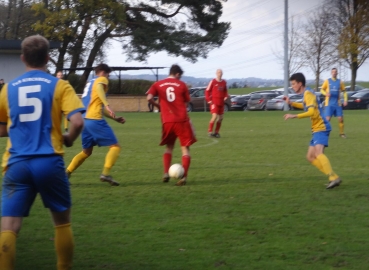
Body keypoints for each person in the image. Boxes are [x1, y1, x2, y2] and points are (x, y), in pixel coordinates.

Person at [0, 35, 85, 270]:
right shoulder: (59, 85)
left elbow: (1, 128)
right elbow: (77, 121)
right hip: (49, 161)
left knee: (9, 227)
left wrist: (20, 130)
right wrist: (68, 139)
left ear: (22, 58)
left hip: (17, 164)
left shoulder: (8, 89)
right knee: (62, 223)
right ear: (48, 58)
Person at [66, 63, 126, 186]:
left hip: (84, 120)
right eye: (108, 74)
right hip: (94, 119)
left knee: (86, 152)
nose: (108, 78)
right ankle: (105, 173)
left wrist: (114, 118)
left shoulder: (90, 83)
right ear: (103, 72)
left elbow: (98, 106)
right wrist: (108, 105)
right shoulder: (101, 80)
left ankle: (66, 173)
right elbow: (100, 90)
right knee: (115, 146)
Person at [283, 72, 341, 189]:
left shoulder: (308, 94)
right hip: (316, 128)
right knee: (310, 157)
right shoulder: (307, 93)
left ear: (300, 83)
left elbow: (311, 112)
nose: (292, 86)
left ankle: (333, 177)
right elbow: (306, 106)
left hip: (321, 127)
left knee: (318, 153)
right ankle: (334, 177)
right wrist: (291, 103)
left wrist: (294, 116)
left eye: (294, 84)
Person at [146, 64, 197, 186]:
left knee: (169, 147)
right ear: (178, 74)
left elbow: (148, 98)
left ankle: (165, 173)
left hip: (167, 121)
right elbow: (186, 103)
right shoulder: (182, 85)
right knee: (185, 149)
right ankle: (183, 178)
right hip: (181, 120)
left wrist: (158, 106)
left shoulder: (158, 84)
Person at [320, 68, 347, 138]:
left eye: (335, 72)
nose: (334, 73)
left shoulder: (340, 82)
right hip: (329, 104)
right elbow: (321, 90)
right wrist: (326, 94)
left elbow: (344, 92)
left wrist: (345, 100)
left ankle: (342, 133)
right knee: (327, 119)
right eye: (333, 72)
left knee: (341, 119)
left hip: (337, 104)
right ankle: (325, 133)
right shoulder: (327, 81)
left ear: (337, 73)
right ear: (331, 73)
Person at [205, 69, 228, 138]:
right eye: (218, 72)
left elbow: (225, 91)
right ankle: (210, 131)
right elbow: (207, 91)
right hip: (214, 102)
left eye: (220, 72)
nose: (219, 73)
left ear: (222, 74)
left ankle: (216, 132)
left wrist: (226, 96)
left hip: (221, 103)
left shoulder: (224, 82)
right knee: (214, 116)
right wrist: (209, 100)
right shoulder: (213, 81)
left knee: (221, 118)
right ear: (216, 73)